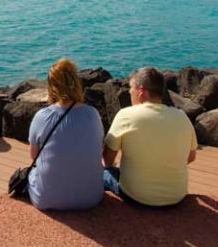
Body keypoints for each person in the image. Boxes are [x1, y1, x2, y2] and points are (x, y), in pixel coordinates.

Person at [103, 67, 197, 207]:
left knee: (104, 172)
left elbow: (107, 158)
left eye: (131, 87)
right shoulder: (181, 116)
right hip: (176, 197)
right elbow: (190, 157)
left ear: (141, 91)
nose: (129, 91)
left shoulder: (126, 115)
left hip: (136, 197)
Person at [27, 57, 105, 210]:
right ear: (76, 83)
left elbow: (34, 156)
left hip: (47, 199)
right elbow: (98, 148)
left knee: (31, 173)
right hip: (92, 197)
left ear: (51, 86)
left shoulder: (42, 116)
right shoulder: (92, 114)